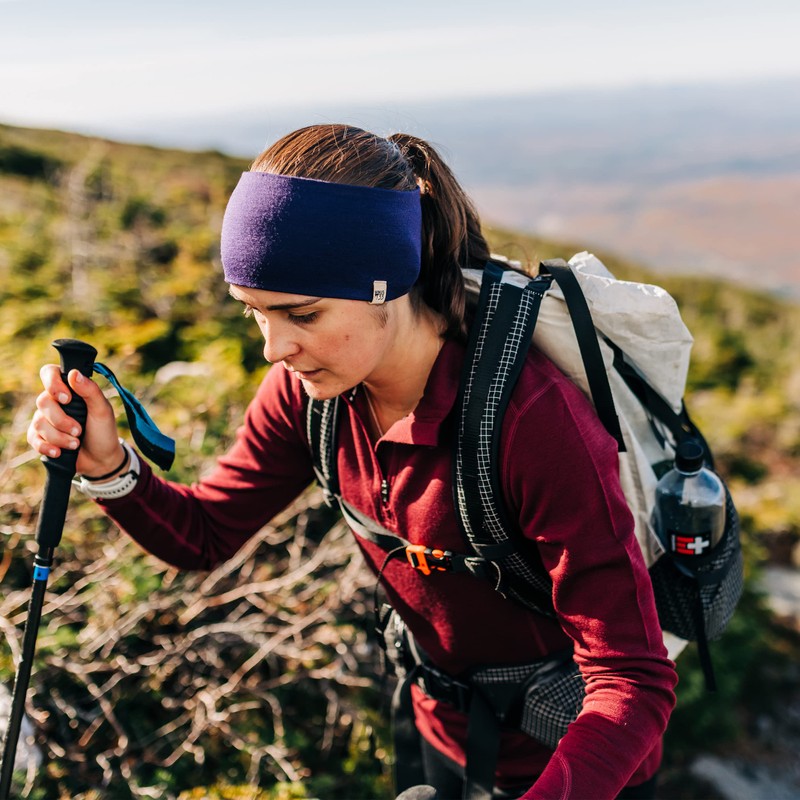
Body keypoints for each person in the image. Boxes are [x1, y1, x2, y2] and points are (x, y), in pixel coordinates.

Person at [28, 124, 677, 799]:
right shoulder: (308, 393)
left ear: (385, 285)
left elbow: (631, 679)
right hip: (438, 740)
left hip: (579, 768)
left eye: (300, 314)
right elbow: (206, 533)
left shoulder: (532, 421)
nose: (273, 348)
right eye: (253, 313)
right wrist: (108, 466)